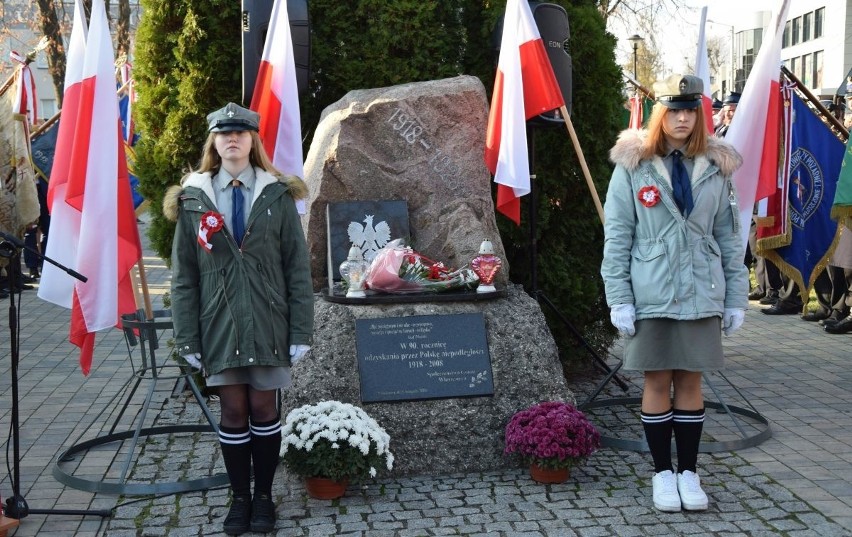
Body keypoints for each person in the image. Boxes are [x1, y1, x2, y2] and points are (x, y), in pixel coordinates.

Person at [164, 102, 314, 535]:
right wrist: (186, 337)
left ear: (253, 140)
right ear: (214, 141)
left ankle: (264, 497)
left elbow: (296, 268)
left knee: (264, 407)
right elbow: (184, 276)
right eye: (224, 134)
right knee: (232, 410)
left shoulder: (277, 194)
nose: (233, 139)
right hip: (218, 322)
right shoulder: (194, 198)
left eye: (241, 133)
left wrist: (300, 328)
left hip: (268, 320)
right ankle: (239, 499)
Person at [601, 74, 748, 513]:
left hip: (702, 291)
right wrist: (619, 296)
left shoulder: (716, 166)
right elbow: (618, 236)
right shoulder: (634, 166)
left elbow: (729, 236)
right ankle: (662, 473)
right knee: (657, 378)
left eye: (690, 110)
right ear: (659, 114)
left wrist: (736, 295)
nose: (683, 118)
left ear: (699, 115)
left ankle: (689, 472)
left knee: (690, 379)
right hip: (652, 291)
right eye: (674, 110)